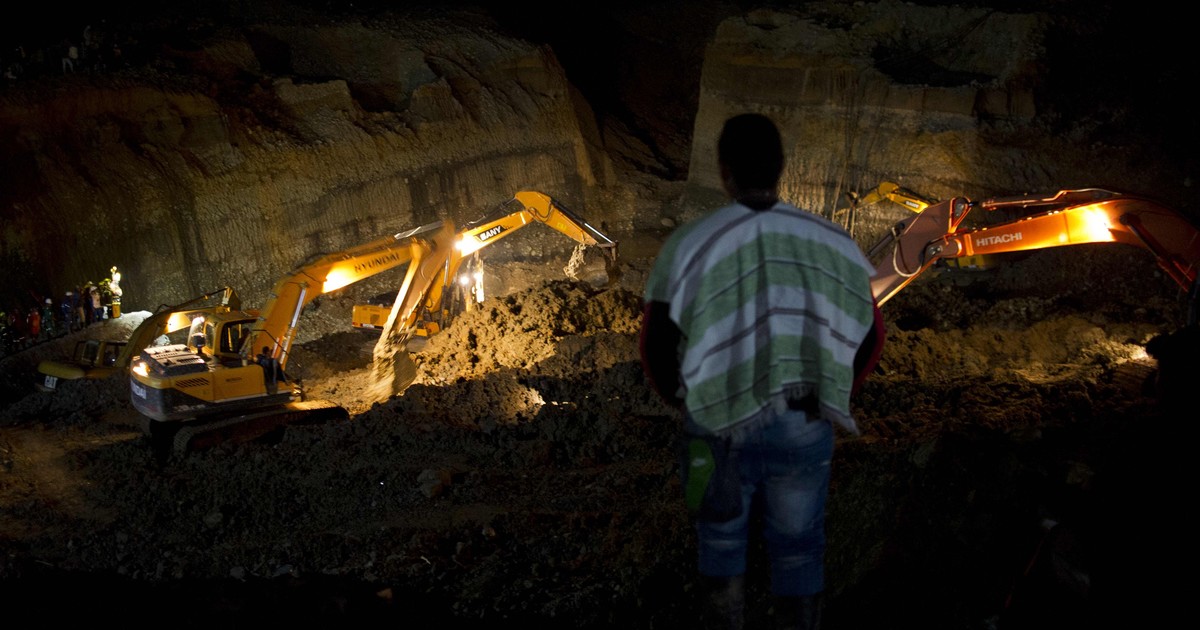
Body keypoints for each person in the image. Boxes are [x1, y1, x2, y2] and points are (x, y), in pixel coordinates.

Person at [639, 113, 885, 630]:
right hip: (802, 421)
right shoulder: (830, 241)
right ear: (781, 169)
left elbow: (656, 343)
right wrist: (832, 394)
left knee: (720, 546)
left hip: (715, 423)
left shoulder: (689, 244)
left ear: (724, 171)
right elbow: (870, 333)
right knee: (799, 552)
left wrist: (682, 400)